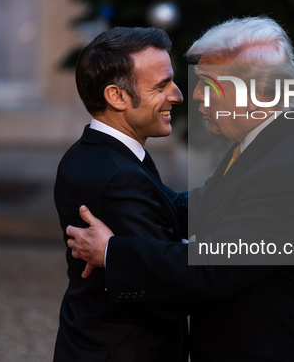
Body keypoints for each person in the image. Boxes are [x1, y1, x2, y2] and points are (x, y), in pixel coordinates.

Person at [67, 17, 294, 361]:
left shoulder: (291, 168)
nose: (192, 95)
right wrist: (138, 200)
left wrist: (113, 253)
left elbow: (212, 269)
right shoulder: (279, 133)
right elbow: (212, 202)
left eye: (208, 85)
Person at [53, 26, 188, 362]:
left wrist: (244, 189)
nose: (177, 95)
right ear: (117, 97)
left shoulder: (88, 152)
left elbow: (171, 207)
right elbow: (165, 287)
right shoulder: (120, 177)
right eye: (161, 85)